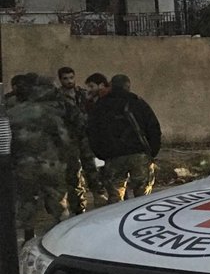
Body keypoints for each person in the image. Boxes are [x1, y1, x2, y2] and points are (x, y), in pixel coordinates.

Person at [7, 73, 73, 240]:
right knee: (58, 203)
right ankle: (61, 237)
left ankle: (28, 238)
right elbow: (63, 139)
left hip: (24, 166)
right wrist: (67, 161)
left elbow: (7, 141)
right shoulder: (50, 112)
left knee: (26, 203)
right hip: (51, 164)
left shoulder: (12, 113)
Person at [87, 74, 162, 203]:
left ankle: (117, 221)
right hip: (139, 155)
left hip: (113, 156)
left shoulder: (101, 105)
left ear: (111, 86)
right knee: (143, 198)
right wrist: (151, 152)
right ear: (128, 86)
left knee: (115, 197)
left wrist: (101, 154)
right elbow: (153, 128)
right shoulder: (137, 102)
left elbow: (93, 131)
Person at [58, 67, 107, 214]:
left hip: (86, 137)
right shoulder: (57, 97)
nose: (69, 81)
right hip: (69, 139)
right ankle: (79, 207)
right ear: (60, 80)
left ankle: (99, 196)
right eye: (65, 78)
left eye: (71, 77)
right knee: (73, 174)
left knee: (92, 168)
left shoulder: (83, 94)